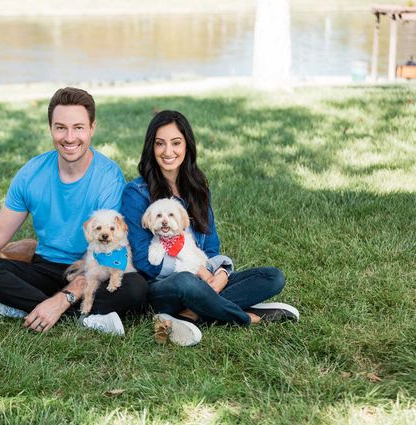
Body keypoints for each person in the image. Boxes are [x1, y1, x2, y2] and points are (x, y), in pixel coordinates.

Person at [0, 87, 147, 336]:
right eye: (61, 127)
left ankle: (29, 307)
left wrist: (62, 299)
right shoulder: (32, 172)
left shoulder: (108, 177)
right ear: (51, 128)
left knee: (136, 287)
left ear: (92, 128)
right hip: (44, 268)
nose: (70, 137)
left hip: (92, 267)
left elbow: (106, 250)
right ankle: (80, 317)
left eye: (79, 127)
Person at [120, 110, 298, 346]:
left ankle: (192, 314)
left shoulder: (198, 189)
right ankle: (243, 316)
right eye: (160, 144)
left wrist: (221, 274)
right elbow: (144, 260)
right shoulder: (136, 193)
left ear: (187, 146)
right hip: (164, 286)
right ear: (151, 148)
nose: (168, 151)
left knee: (272, 277)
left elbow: (212, 247)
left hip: (204, 278)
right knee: (186, 282)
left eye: (176, 143)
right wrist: (197, 274)